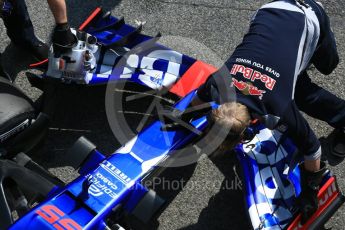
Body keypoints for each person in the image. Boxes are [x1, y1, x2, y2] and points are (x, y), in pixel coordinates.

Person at [169, 0, 344, 224]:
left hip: (307, 17)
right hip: (270, 10)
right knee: (296, 88)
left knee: (328, 67)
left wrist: (311, 190)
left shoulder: (278, 107)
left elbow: (312, 148)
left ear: (244, 134)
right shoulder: (218, 84)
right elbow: (197, 100)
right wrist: (180, 119)